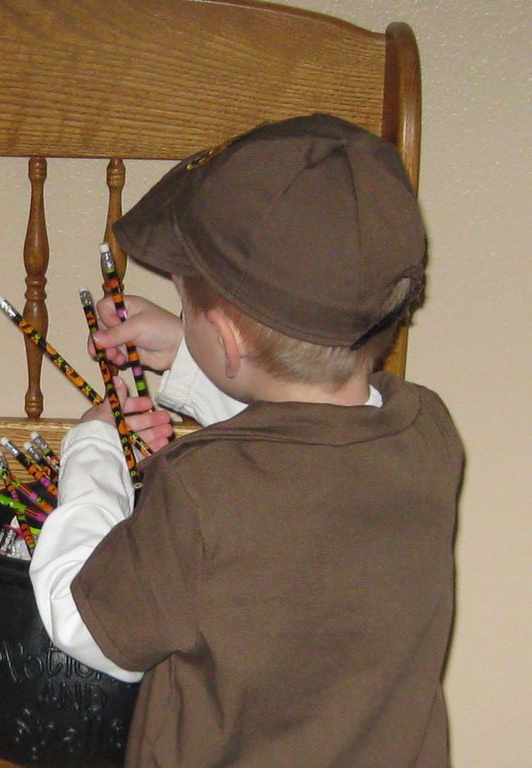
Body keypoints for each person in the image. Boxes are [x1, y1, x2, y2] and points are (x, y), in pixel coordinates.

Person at [29, 114, 464, 767]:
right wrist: (190, 355)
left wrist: (93, 450)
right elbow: (300, 446)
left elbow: (82, 622)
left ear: (229, 342)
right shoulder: (428, 433)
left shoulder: (201, 492)